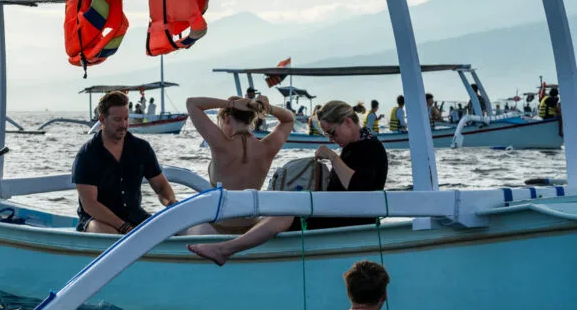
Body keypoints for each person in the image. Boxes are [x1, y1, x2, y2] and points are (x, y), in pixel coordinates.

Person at [188, 100, 389, 265]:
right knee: (286, 203)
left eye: (332, 133)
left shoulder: (369, 147)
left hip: (348, 220)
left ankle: (225, 250)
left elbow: (358, 187)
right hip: (338, 213)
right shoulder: (355, 144)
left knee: (286, 211)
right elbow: (288, 120)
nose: (330, 139)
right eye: (326, 134)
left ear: (347, 122)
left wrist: (332, 157)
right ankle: (240, 242)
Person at [186, 92, 295, 233]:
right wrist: (268, 108)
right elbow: (289, 120)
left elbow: (191, 103)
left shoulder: (220, 144)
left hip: (215, 229)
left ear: (226, 118)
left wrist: (230, 104)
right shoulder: (267, 147)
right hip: (250, 230)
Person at [72, 91, 177, 234]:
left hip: (135, 216)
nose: (123, 124)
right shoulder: (87, 155)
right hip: (97, 220)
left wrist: (172, 205)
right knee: (110, 236)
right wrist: (124, 227)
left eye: (126, 119)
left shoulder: (141, 148)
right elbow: (90, 204)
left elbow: (160, 187)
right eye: (117, 120)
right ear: (102, 119)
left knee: (172, 231)